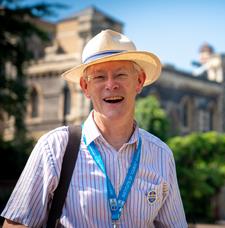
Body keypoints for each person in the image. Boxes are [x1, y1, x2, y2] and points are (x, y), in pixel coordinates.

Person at [1, 29, 187, 227]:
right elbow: (16, 224)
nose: (110, 85)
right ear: (85, 87)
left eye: (121, 75)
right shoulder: (54, 148)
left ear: (139, 81)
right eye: (99, 77)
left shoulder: (161, 155)